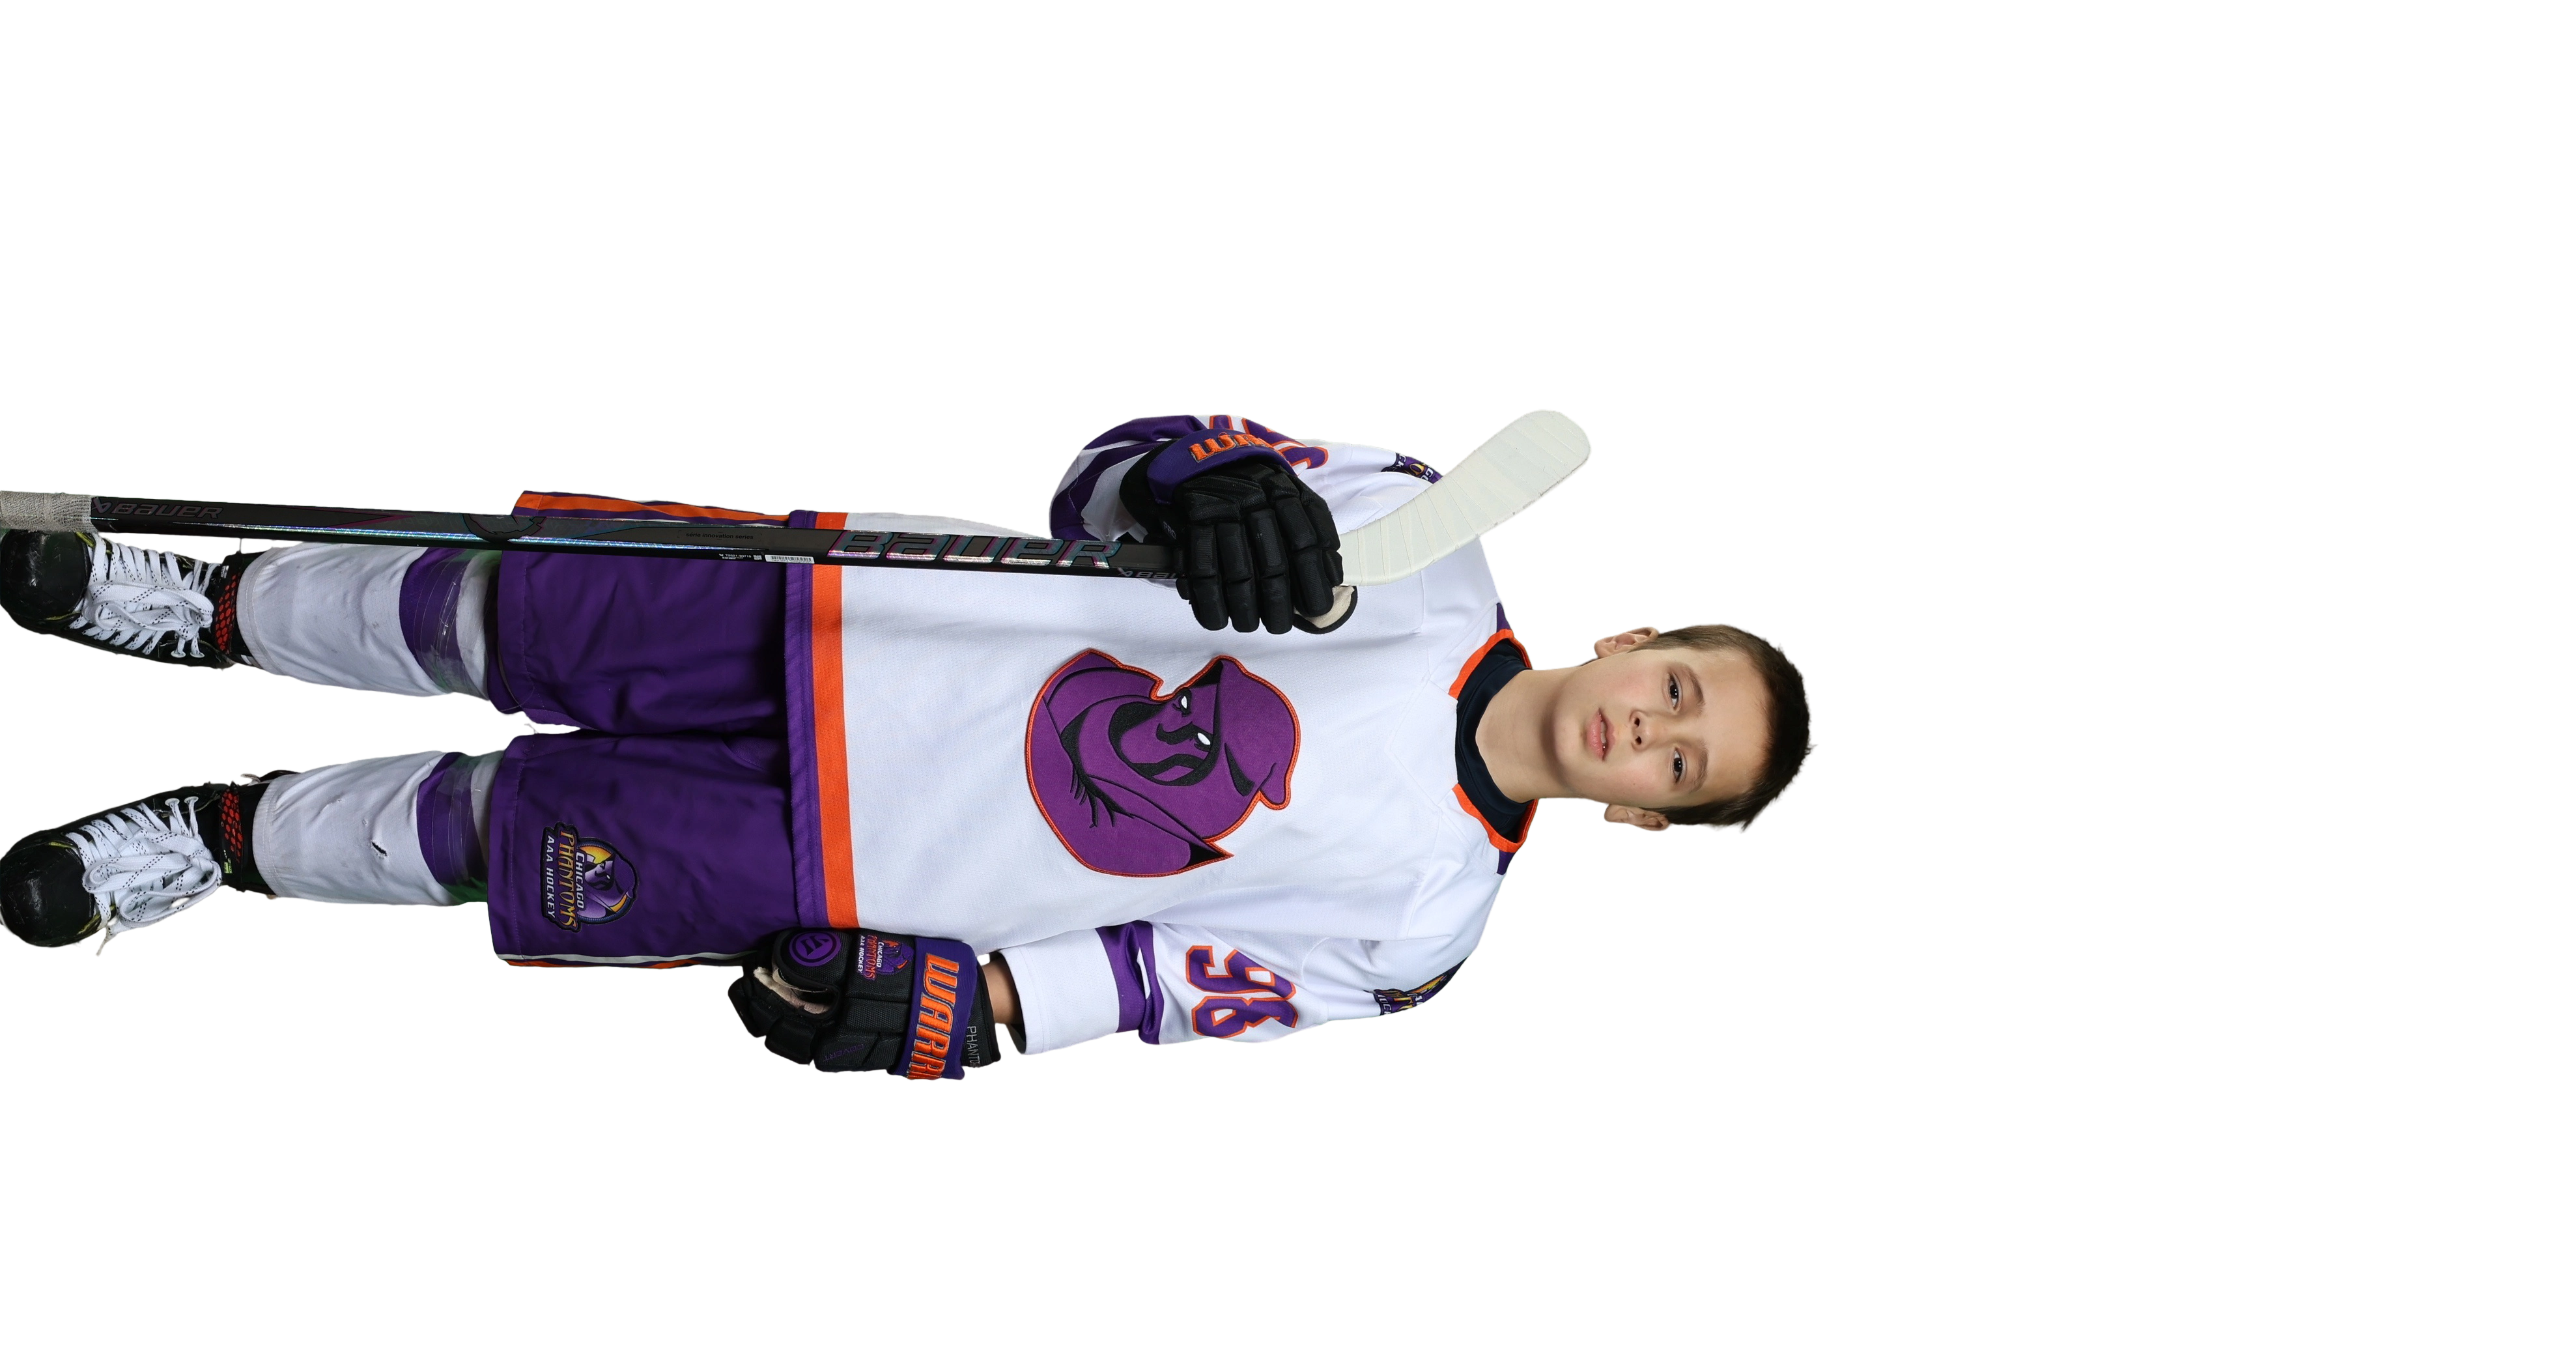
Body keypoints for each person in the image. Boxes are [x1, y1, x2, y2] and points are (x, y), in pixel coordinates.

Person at [0, 414, 1817, 1077]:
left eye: (1683, 766)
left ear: (1656, 819)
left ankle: (210, 844)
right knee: (497, 615)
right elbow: (1107, 478)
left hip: (872, 866)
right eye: (1679, 689)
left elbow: (1163, 974)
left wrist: (981, 1015)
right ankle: (205, 607)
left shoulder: (1423, 922)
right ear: (1639, 641)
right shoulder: (1424, 540)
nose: (1646, 730)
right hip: (861, 618)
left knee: (501, 833)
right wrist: (1204, 477)